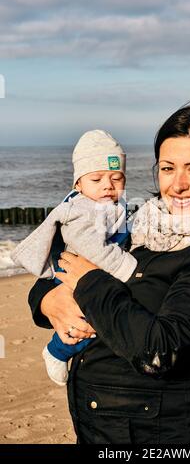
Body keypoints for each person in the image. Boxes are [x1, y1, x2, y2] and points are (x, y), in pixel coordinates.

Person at [28, 100, 190, 444]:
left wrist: (88, 284)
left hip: (164, 436)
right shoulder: (146, 225)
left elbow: (161, 350)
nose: (178, 184)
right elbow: (62, 269)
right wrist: (48, 301)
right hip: (103, 429)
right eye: (167, 168)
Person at [12, 129, 137, 386]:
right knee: (83, 319)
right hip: (72, 276)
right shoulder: (79, 211)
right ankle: (57, 352)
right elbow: (95, 251)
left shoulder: (113, 206)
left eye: (117, 178)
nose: (107, 185)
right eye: (96, 179)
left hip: (93, 275)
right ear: (78, 184)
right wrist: (128, 268)